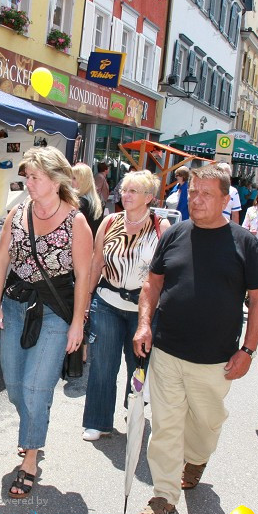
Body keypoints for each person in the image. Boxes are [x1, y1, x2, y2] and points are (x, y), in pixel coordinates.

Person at [132, 164, 258, 514]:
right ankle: (163, 496)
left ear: (227, 199)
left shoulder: (245, 242)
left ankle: (196, 458)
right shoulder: (174, 234)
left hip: (215, 360)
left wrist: (249, 350)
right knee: (165, 426)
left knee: (206, 425)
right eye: (193, 192)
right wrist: (145, 324)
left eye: (206, 193)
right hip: (167, 350)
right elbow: (152, 284)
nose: (197, 199)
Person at [0, 146, 92, 498]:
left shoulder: (76, 221)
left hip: (54, 313)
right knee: (15, 385)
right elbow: (1, 260)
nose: (28, 183)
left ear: (56, 179)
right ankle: (33, 425)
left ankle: (30, 458)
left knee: (35, 387)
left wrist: (78, 322)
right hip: (17, 308)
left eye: (35, 177)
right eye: (27, 177)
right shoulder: (17, 213)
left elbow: (83, 276)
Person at [81, 171, 170, 441]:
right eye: (124, 189)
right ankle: (98, 421)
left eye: (133, 191)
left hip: (143, 311)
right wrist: (85, 302)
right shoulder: (110, 222)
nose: (125, 195)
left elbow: (166, 273)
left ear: (149, 197)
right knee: (102, 365)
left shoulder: (160, 227)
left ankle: (134, 415)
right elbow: (96, 263)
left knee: (138, 367)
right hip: (107, 302)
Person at [72, 163, 104, 237]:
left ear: (83, 181)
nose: (70, 181)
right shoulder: (95, 202)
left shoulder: (80, 204)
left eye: (74, 178)